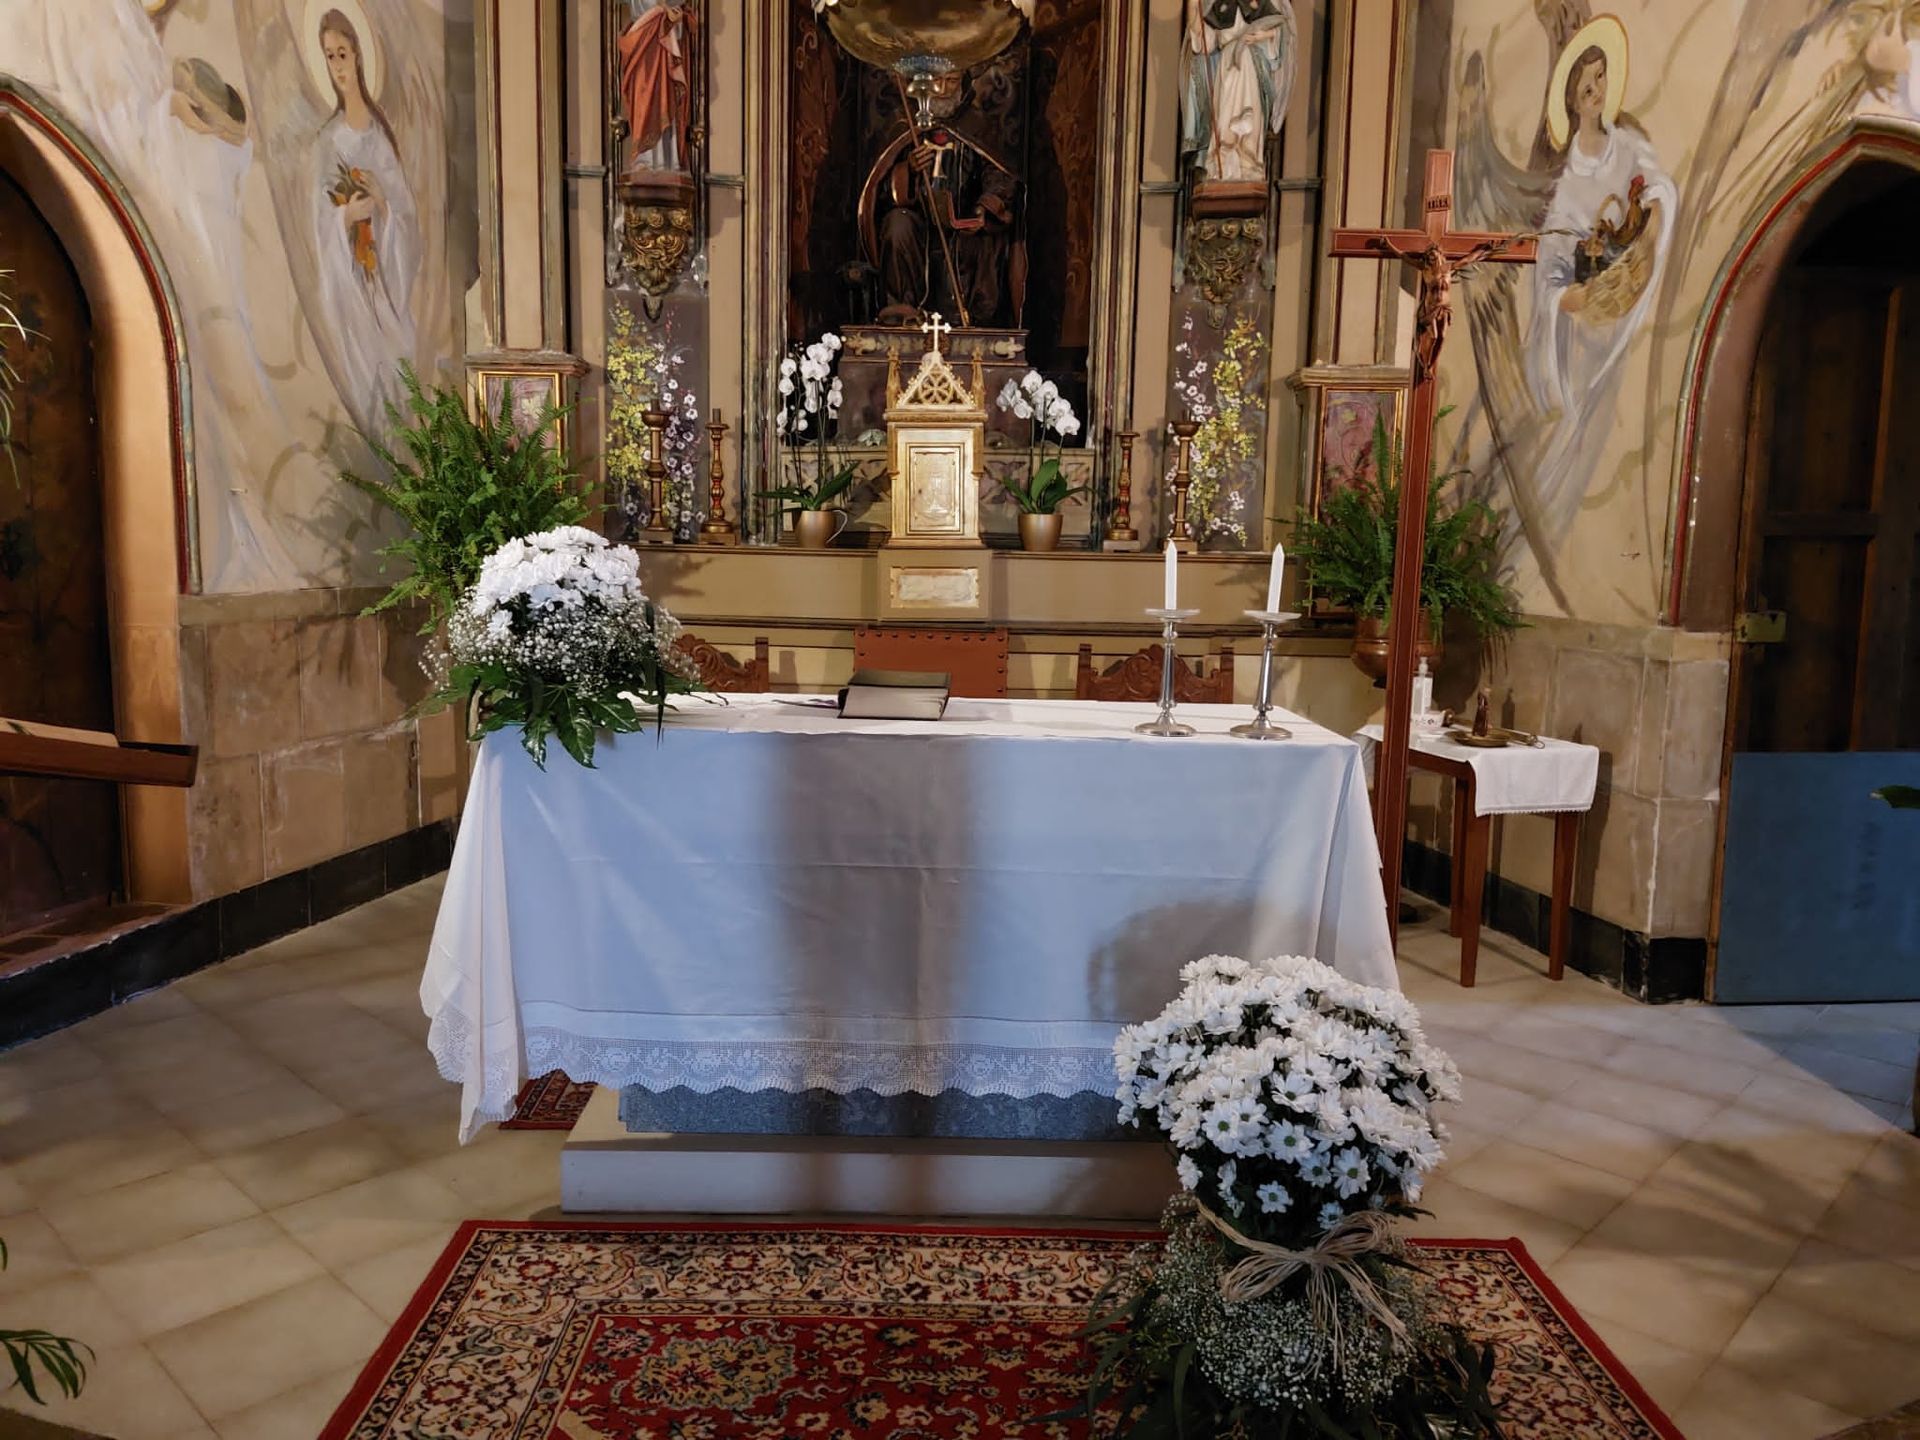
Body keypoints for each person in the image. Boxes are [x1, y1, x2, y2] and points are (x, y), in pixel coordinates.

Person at [1522, 23, 1675, 542]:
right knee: (1578, 423)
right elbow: (1551, 266)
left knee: (1607, 418)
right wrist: (1568, 298)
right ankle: (1548, 522)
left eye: (1602, 79)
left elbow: (1658, 187)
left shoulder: (1627, 146)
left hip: (1622, 308)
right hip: (1585, 320)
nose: (1596, 92)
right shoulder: (1566, 180)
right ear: (1572, 101)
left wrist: (1652, 219)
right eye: (1586, 86)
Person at [311, 7, 419, 428]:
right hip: (351, 284)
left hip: (385, 280)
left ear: (358, 53)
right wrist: (345, 218)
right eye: (329, 56)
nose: (337, 65)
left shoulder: (381, 136)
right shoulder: (327, 141)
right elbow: (317, 221)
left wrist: (384, 205)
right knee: (365, 377)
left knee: (398, 366)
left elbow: (407, 214)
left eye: (342, 52)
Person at [866, 68, 1021, 327]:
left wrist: (985, 207)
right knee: (897, 224)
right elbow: (879, 194)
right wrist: (909, 170)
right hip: (919, 227)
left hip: (964, 222)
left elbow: (999, 172)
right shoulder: (905, 127)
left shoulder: (978, 126)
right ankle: (903, 309)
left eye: (952, 81)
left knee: (982, 246)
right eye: (937, 81)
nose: (944, 89)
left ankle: (971, 319)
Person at [1180, 0, 1296, 187]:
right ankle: (1222, 166)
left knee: (1250, 117)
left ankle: (1248, 165)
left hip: (1251, 69)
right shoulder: (1220, 6)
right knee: (1224, 119)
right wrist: (1193, 9)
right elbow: (1204, 44)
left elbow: (1283, 33)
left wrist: (1262, 35)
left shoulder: (1260, 3)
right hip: (1227, 70)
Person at [616, 0, 698, 177]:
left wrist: (669, 10)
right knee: (642, 95)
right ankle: (644, 158)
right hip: (641, 36)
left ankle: (666, 160)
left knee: (665, 95)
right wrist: (661, 9)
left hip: (664, 37)